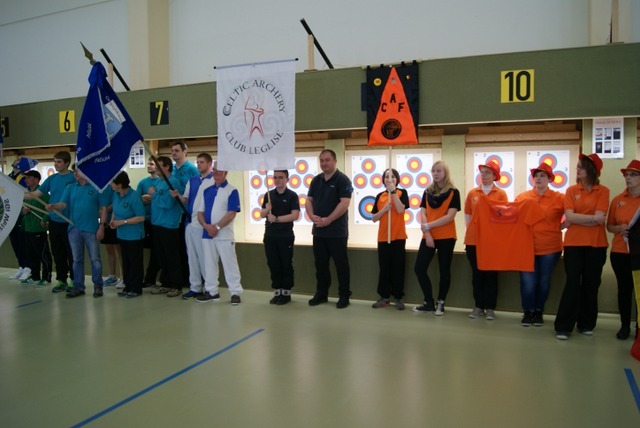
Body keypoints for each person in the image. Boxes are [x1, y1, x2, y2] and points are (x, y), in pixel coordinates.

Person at [554, 153, 609, 340]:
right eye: (577, 166)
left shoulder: (603, 191)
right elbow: (569, 216)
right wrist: (592, 218)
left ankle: (586, 323)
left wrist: (578, 219)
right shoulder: (571, 190)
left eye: (581, 166)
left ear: (592, 170)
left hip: (596, 244)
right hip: (573, 244)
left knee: (591, 283)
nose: (577, 169)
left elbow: (600, 219)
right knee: (572, 283)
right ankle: (563, 326)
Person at [515, 163, 565, 326]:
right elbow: (513, 218)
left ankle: (538, 311)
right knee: (527, 282)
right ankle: (527, 311)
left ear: (550, 179)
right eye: (536, 175)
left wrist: (561, 226)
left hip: (550, 248)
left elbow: (571, 215)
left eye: (543, 175)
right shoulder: (523, 197)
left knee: (544, 281)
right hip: (526, 247)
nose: (538, 178)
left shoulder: (559, 198)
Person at [48, 165, 108, 298]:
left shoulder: (97, 187)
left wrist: (102, 226)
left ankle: (98, 285)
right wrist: (54, 206)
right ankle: (78, 286)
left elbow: (104, 208)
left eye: (78, 171)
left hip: (91, 229)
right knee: (76, 259)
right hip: (74, 229)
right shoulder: (70, 188)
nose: (75, 173)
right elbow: (63, 204)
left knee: (95, 259)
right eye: (74, 171)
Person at [306, 149, 354, 309]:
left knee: (341, 265)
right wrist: (312, 216)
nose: (324, 163)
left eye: (327, 160)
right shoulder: (316, 180)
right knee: (320, 265)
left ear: (334, 161)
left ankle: (344, 295)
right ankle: (321, 294)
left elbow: (345, 203)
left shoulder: (343, 180)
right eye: (322, 160)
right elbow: (308, 200)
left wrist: (328, 220)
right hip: (319, 231)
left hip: (337, 233)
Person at [413, 160, 460, 315]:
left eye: (439, 171)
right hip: (428, 236)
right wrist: (427, 233)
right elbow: (423, 213)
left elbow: (449, 216)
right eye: (433, 171)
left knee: (444, 271)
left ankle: (441, 303)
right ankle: (428, 302)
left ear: (445, 173)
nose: (435, 174)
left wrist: (428, 226)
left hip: (446, 236)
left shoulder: (454, 192)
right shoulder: (427, 191)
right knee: (419, 268)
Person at [464, 159, 508, 320]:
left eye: (488, 172)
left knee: (491, 275)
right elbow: (468, 215)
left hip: (491, 241)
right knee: (477, 275)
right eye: (482, 172)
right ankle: (478, 306)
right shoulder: (473, 193)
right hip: (473, 240)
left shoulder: (501, 194)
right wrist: (471, 230)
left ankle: (490, 308)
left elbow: (503, 216)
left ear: (495, 176)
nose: (484, 175)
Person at [26, 151, 75, 293]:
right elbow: (36, 195)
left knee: (71, 253)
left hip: (70, 222)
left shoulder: (74, 177)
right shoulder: (52, 179)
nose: (56, 164)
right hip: (54, 221)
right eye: (55, 161)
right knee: (58, 253)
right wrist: (16, 195)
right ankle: (61, 280)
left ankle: (74, 280)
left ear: (66, 163)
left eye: (59, 162)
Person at [195, 161, 243, 304]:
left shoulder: (232, 191)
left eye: (219, 170)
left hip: (224, 235)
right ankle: (211, 292)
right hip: (207, 235)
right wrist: (206, 226)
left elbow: (231, 213)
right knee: (209, 264)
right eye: (214, 170)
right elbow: (200, 213)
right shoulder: (207, 191)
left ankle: (235, 292)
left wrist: (216, 228)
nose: (216, 173)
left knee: (230, 264)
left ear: (226, 173)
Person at [606, 159, 640, 340]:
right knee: (624, 290)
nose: (628, 178)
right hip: (620, 252)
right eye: (626, 175)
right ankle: (624, 325)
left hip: (638, 253)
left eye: (633, 174)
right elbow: (609, 226)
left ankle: (639, 327)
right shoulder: (618, 200)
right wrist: (620, 229)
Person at [174, 153, 213, 300]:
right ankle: (195, 287)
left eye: (202, 162)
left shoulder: (213, 181)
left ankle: (209, 288)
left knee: (204, 257)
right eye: (197, 162)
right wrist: (177, 195)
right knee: (192, 257)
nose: (199, 165)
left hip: (203, 225)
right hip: (189, 222)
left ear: (209, 164)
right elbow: (185, 200)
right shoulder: (192, 180)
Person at [370, 168, 409, 310]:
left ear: (397, 179)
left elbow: (400, 209)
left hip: (398, 237)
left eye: (392, 176)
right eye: (386, 177)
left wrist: (393, 192)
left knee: (398, 268)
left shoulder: (402, 193)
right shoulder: (380, 196)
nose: (389, 179)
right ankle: (384, 297)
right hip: (383, 238)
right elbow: (374, 218)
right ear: (383, 180)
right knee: (384, 268)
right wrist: (384, 209)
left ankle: (398, 297)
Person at [260, 169, 300, 305]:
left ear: (287, 179)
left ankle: (286, 293)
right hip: (270, 235)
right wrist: (267, 209)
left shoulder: (292, 196)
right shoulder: (268, 195)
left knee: (286, 264)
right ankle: (277, 291)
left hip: (285, 236)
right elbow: (262, 214)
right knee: (273, 264)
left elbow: (295, 215)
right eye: (275, 177)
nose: (278, 180)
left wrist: (276, 219)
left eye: (281, 177)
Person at [148, 156, 186, 298]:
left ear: (167, 167)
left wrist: (153, 194)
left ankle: (176, 285)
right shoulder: (159, 182)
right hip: (157, 223)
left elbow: (168, 203)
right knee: (161, 256)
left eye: (159, 165)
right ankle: (165, 283)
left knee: (171, 257)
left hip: (168, 225)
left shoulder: (172, 182)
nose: (156, 168)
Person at [109, 171, 146, 298]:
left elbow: (141, 217)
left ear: (120, 184)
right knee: (125, 261)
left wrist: (123, 222)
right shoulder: (116, 195)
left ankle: (136, 288)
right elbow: (115, 210)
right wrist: (112, 220)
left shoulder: (134, 196)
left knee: (134, 261)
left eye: (113, 182)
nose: (111, 184)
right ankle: (128, 286)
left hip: (134, 235)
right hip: (122, 234)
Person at [8, 156, 38, 281]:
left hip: (21, 213)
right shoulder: (10, 176)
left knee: (22, 242)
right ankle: (21, 265)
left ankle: (28, 267)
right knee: (14, 241)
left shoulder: (23, 179)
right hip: (10, 213)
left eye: (19, 160)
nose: (15, 160)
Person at [20, 170, 52, 286]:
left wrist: (44, 219)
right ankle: (35, 276)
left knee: (43, 254)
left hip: (38, 228)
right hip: (28, 228)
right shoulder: (27, 194)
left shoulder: (43, 194)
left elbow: (50, 208)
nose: (26, 180)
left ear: (37, 180)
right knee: (31, 255)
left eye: (29, 178)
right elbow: (22, 209)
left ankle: (47, 277)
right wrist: (24, 211)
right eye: (26, 178)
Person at [137, 158, 162, 288]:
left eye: (152, 164)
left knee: (156, 251)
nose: (149, 166)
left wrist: (152, 198)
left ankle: (151, 278)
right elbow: (137, 199)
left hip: (156, 221)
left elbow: (161, 199)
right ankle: (139, 278)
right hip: (144, 220)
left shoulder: (161, 182)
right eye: (148, 164)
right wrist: (147, 198)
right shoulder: (143, 182)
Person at [100, 183, 123, 288]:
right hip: (105, 223)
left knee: (119, 250)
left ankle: (123, 277)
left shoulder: (116, 186)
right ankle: (112, 276)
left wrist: (104, 210)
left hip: (116, 222)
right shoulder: (101, 187)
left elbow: (115, 204)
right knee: (109, 249)